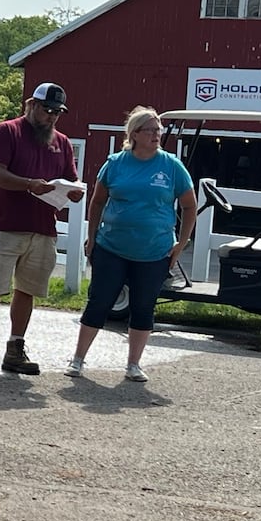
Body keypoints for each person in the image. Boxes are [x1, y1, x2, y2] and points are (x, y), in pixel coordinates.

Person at [0, 82, 85, 378]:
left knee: (27, 291)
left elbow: (71, 179)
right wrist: (30, 184)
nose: (52, 116)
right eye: (47, 109)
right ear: (31, 105)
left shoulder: (62, 142)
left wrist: (74, 192)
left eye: (57, 112)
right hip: (7, 226)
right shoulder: (8, 131)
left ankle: (15, 349)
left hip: (43, 228)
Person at [65, 105, 198, 382]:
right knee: (99, 302)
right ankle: (78, 359)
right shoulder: (115, 163)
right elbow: (98, 200)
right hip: (112, 246)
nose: (156, 134)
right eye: (150, 130)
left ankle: (134, 364)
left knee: (143, 307)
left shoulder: (171, 165)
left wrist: (181, 243)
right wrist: (93, 235)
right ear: (134, 134)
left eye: (158, 129)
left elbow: (189, 206)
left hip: (154, 251)